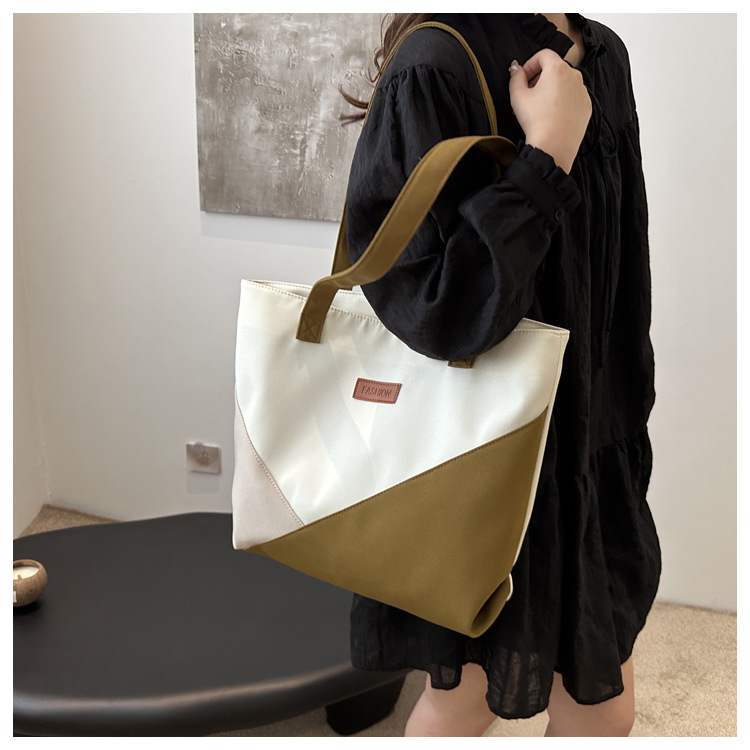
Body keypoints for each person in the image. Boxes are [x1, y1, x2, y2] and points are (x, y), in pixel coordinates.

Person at [339, 13, 661, 737]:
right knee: (468, 700)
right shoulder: (435, 63)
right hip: (486, 463)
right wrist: (544, 157)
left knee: (602, 708)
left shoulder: (604, 55)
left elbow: (620, 269)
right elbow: (433, 309)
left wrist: (626, 419)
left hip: (592, 451)